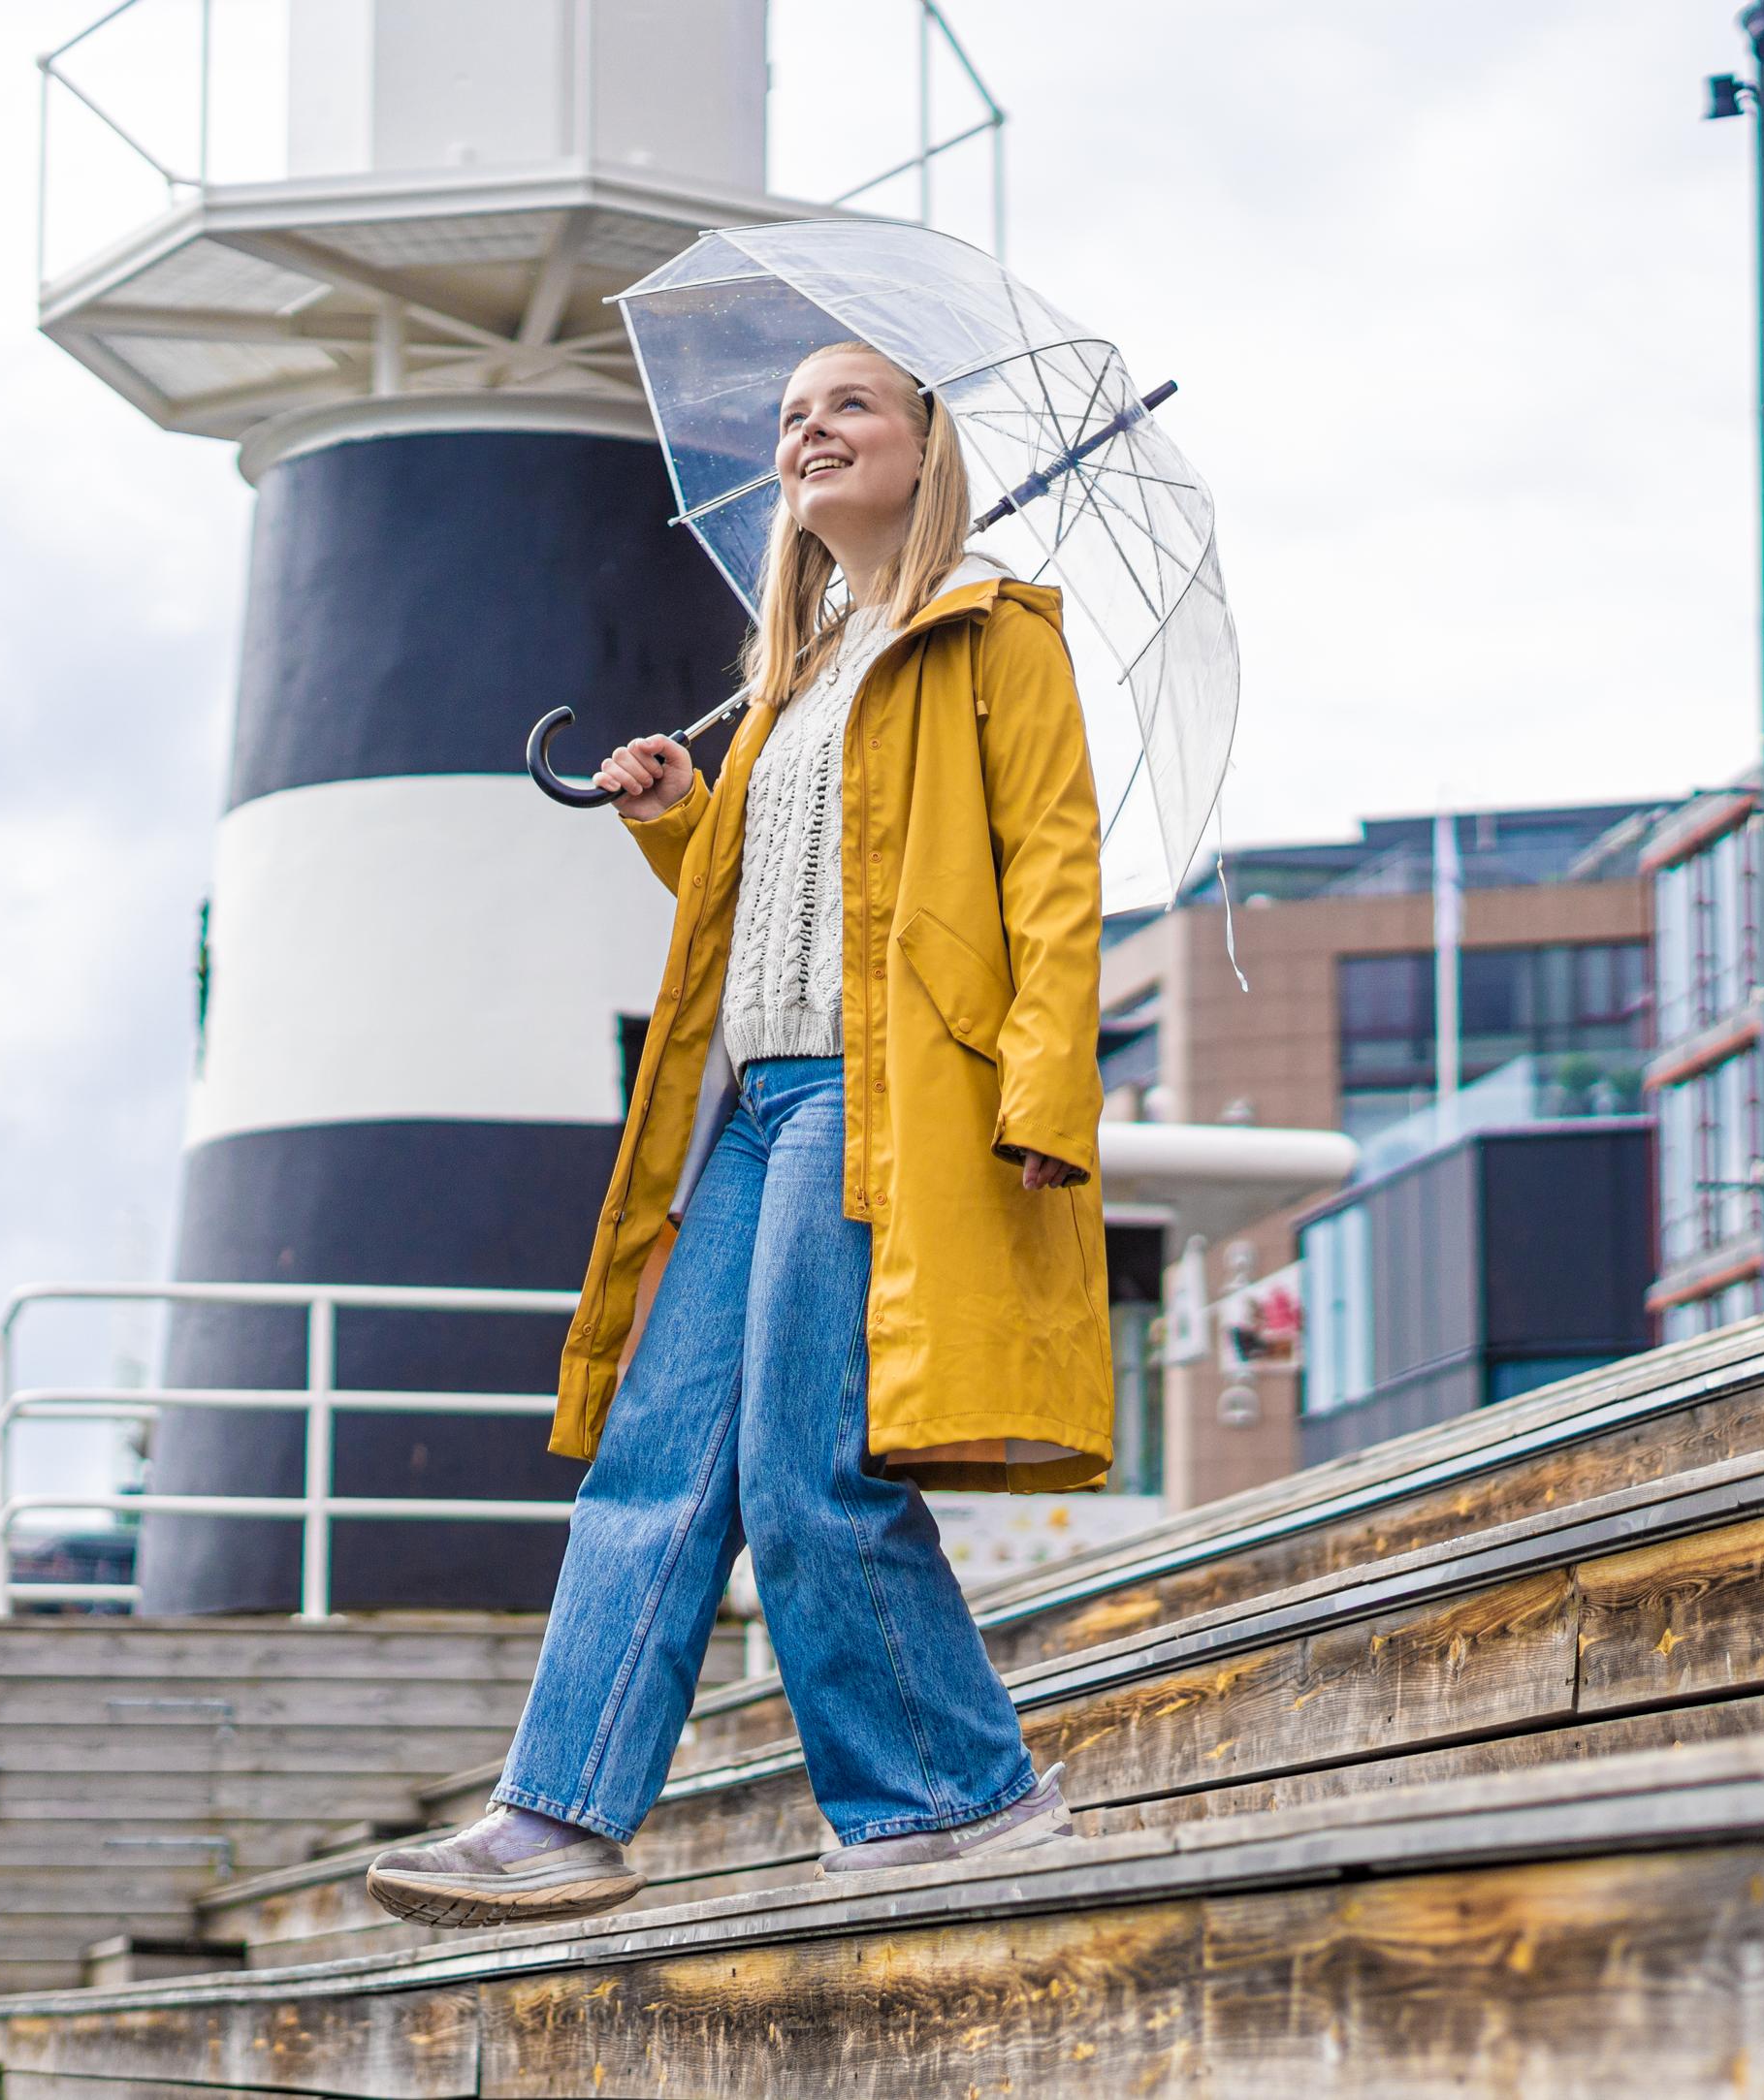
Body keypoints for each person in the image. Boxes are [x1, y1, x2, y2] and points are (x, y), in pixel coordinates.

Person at [365, 340, 1116, 1929]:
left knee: (806, 1466)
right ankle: (562, 1812)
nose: (808, 430)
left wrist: (1045, 1092)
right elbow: (773, 909)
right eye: (790, 415)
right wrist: (682, 819)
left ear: (927, 444)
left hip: (885, 1096)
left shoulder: (997, 635)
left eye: (847, 405)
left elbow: (1052, 875)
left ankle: (954, 1797)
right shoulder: (794, 669)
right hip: (753, 1105)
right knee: (656, 1451)